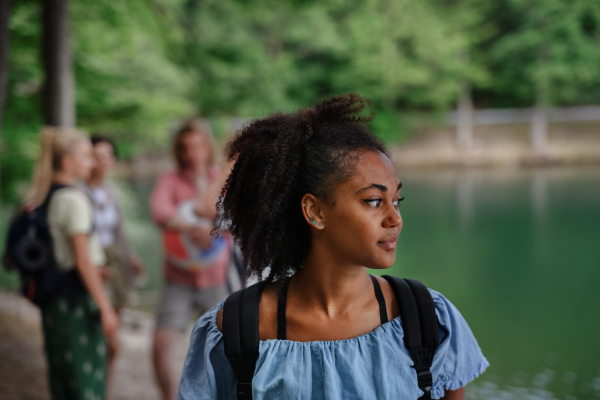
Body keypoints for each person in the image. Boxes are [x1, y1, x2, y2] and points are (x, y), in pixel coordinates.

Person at [177, 94, 489, 400]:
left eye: (396, 201)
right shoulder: (237, 329)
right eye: (373, 201)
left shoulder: (429, 320)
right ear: (315, 211)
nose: (395, 218)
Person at [25, 128, 119, 400]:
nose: (93, 161)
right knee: (85, 381)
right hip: (76, 300)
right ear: (68, 162)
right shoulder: (74, 200)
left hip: (56, 302)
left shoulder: (47, 196)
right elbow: (82, 260)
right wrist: (105, 308)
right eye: (87, 155)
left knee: (63, 379)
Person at [150, 118, 232, 400]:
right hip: (178, 277)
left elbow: (236, 223)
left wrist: (212, 230)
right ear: (179, 150)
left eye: (197, 146)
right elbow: (160, 213)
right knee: (160, 346)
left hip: (215, 277)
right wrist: (191, 226)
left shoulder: (221, 180)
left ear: (207, 147)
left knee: (227, 347)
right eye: (185, 147)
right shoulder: (169, 180)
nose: (191, 153)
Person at [79, 134, 145, 380]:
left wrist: (131, 258)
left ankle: (103, 385)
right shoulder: (78, 192)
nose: (104, 161)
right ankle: (93, 382)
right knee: (106, 336)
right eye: (97, 156)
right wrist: (94, 265)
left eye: (108, 155)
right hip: (93, 264)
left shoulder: (111, 191)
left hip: (116, 262)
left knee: (112, 332)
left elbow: (119, 232)